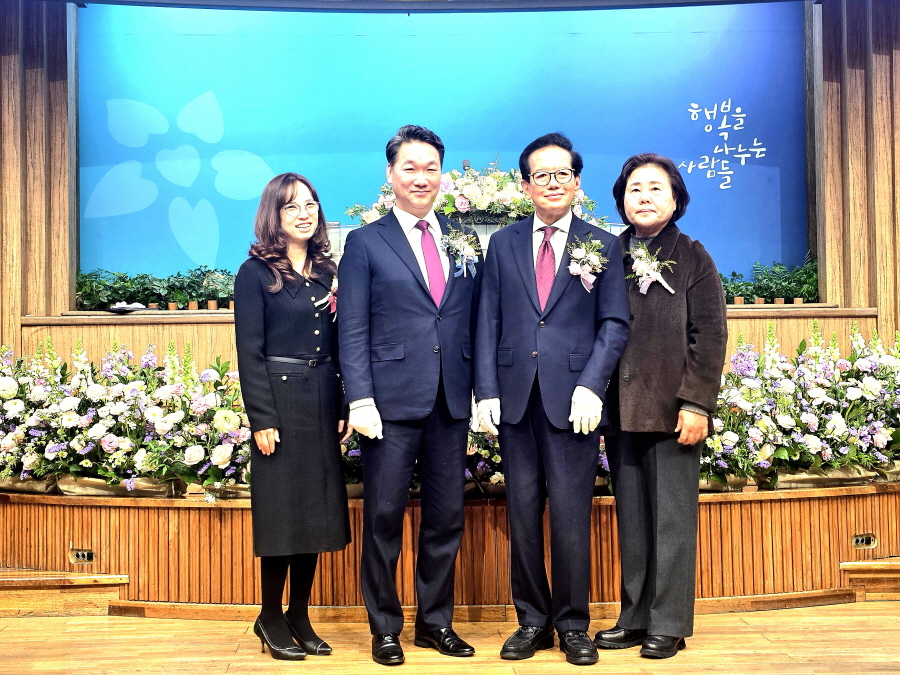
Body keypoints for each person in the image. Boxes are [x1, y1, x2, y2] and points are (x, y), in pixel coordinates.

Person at [474, 132, 629, 666]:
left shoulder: (603, 244)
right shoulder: (503, 243)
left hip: (574, 401)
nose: (553, 182)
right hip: (516, 400)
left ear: (577, 182)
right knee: (522, 515)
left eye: (563, 173)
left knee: (569, 516)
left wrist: (592, 384)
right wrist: (486, 390)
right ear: (525, 186)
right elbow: (488, 320)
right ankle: (532, 621)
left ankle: (572, 624)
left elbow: (614, 323)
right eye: (541, 175)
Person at [338, 125, 481, 666]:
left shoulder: (463, 238)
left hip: (451, 398)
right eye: (410, 168)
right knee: (383, 519)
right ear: (390, 174)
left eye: (430, 168)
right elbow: (352, 327)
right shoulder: (365, 242)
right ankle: (384, 627)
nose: (421, 178)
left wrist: (482, 391)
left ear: (442, 174)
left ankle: (435, 623)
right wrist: (360, 399)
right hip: (389, 404)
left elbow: (473, 319)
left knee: (446, 519)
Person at [596, 153, 727, 659]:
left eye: (655, 188)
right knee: (632, 520)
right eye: (634, 189)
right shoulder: (606, 253)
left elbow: (709, 336)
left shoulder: (692, 255)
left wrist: (697, 403)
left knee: (672, 520)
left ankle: (669, 622)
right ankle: (634, 617)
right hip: (619, 409)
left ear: (676, 200)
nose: (644, 197)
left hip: (673, 410)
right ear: (621, 201)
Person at [234, 172, 351, 661]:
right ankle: (270, 614)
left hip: (322, 397)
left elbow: (341, 345)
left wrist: (344, 403)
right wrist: (262, 417)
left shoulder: (327, 271)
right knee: (283, 513)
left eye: (310, 204)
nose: (304, 213)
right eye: (292, 206)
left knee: (315, 513)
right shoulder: (255, 273)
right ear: (273, 215)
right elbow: (249, 351)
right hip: (280, 403)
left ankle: (299, 614)